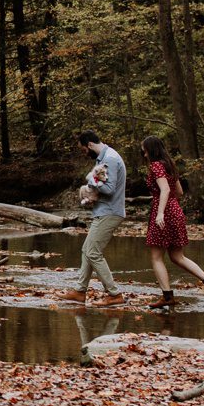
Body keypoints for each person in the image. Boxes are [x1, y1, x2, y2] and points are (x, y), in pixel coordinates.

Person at [141, 135, 204, 310]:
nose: (144, 155)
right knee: (177, 256)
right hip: (175, 210)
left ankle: (167, 297)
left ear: (150, 150)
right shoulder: (169, 165)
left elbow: (166, 189)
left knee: (156, 258)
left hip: (164, 212)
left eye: (144, 151)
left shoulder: (156, 166)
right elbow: (179, 192)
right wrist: (170, 206)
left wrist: (161, 212)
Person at [69, 130, 128, 307]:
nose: (84, 153)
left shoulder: (109, 158)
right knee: (87, 249)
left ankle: (114, 294)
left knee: (93, 252)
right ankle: (80, 291)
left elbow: (109, 189)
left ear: (90, 145)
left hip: (110, 212)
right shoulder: (104, 158)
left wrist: (89, 182)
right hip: (105, 210)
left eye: (83, 150)